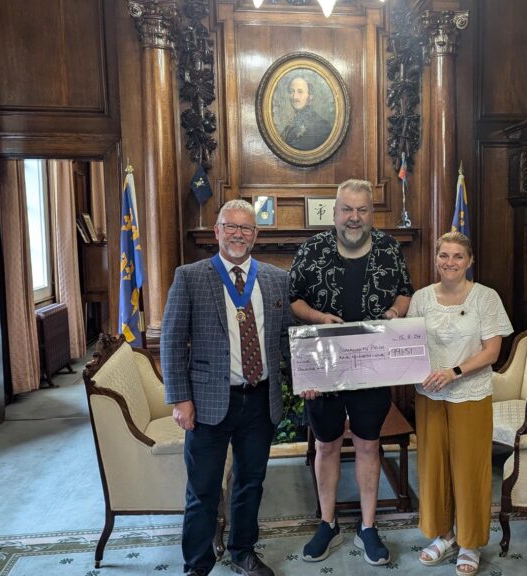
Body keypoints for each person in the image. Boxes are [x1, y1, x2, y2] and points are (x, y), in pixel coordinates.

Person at [160, 199, 293, 576]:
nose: (238, 234)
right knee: (203, 491)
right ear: (216, 231)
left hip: (260, 401)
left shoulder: (275, 278)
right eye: (230, 226)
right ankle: (197, 565)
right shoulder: (190, 276)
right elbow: (171, 341)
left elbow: (285, 338)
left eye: (246, 228)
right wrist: (181, 399)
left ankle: (242, 552)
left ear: (256, 235)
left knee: (250, 483)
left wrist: (306, 380)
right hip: (207, 403)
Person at [290, 179, 414, 566]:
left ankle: (367, 526)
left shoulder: (390, 249)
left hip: (371, 364)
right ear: (335, 211)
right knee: (326, 445)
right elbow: (293, 299)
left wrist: (394, 314)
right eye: (347, 209)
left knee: (367, 444)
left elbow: (405, 292)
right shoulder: (312, 249)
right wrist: (317, 316)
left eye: (362, 210)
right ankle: (327, 523)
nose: (354, 218)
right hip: (323, 364)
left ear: (371, 213)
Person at [407, 232, 513, 576]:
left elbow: (492, 351)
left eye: (457, 256)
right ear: (435, 259)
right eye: (443, 255)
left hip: (471, 394)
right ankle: (444, 535)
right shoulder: (421, 298)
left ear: (469, 261)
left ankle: (470, 542)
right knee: (433, 467)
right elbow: (409, 345)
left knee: (469, 470)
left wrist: (454, 372)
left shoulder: (486, 297)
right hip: (429, 396)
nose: (449, 262)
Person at [280, 76, 333, 151]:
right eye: (292, 91)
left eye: (300, 92)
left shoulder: (321, 125)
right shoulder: (291, 123)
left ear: (310, 96)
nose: (295, 97)